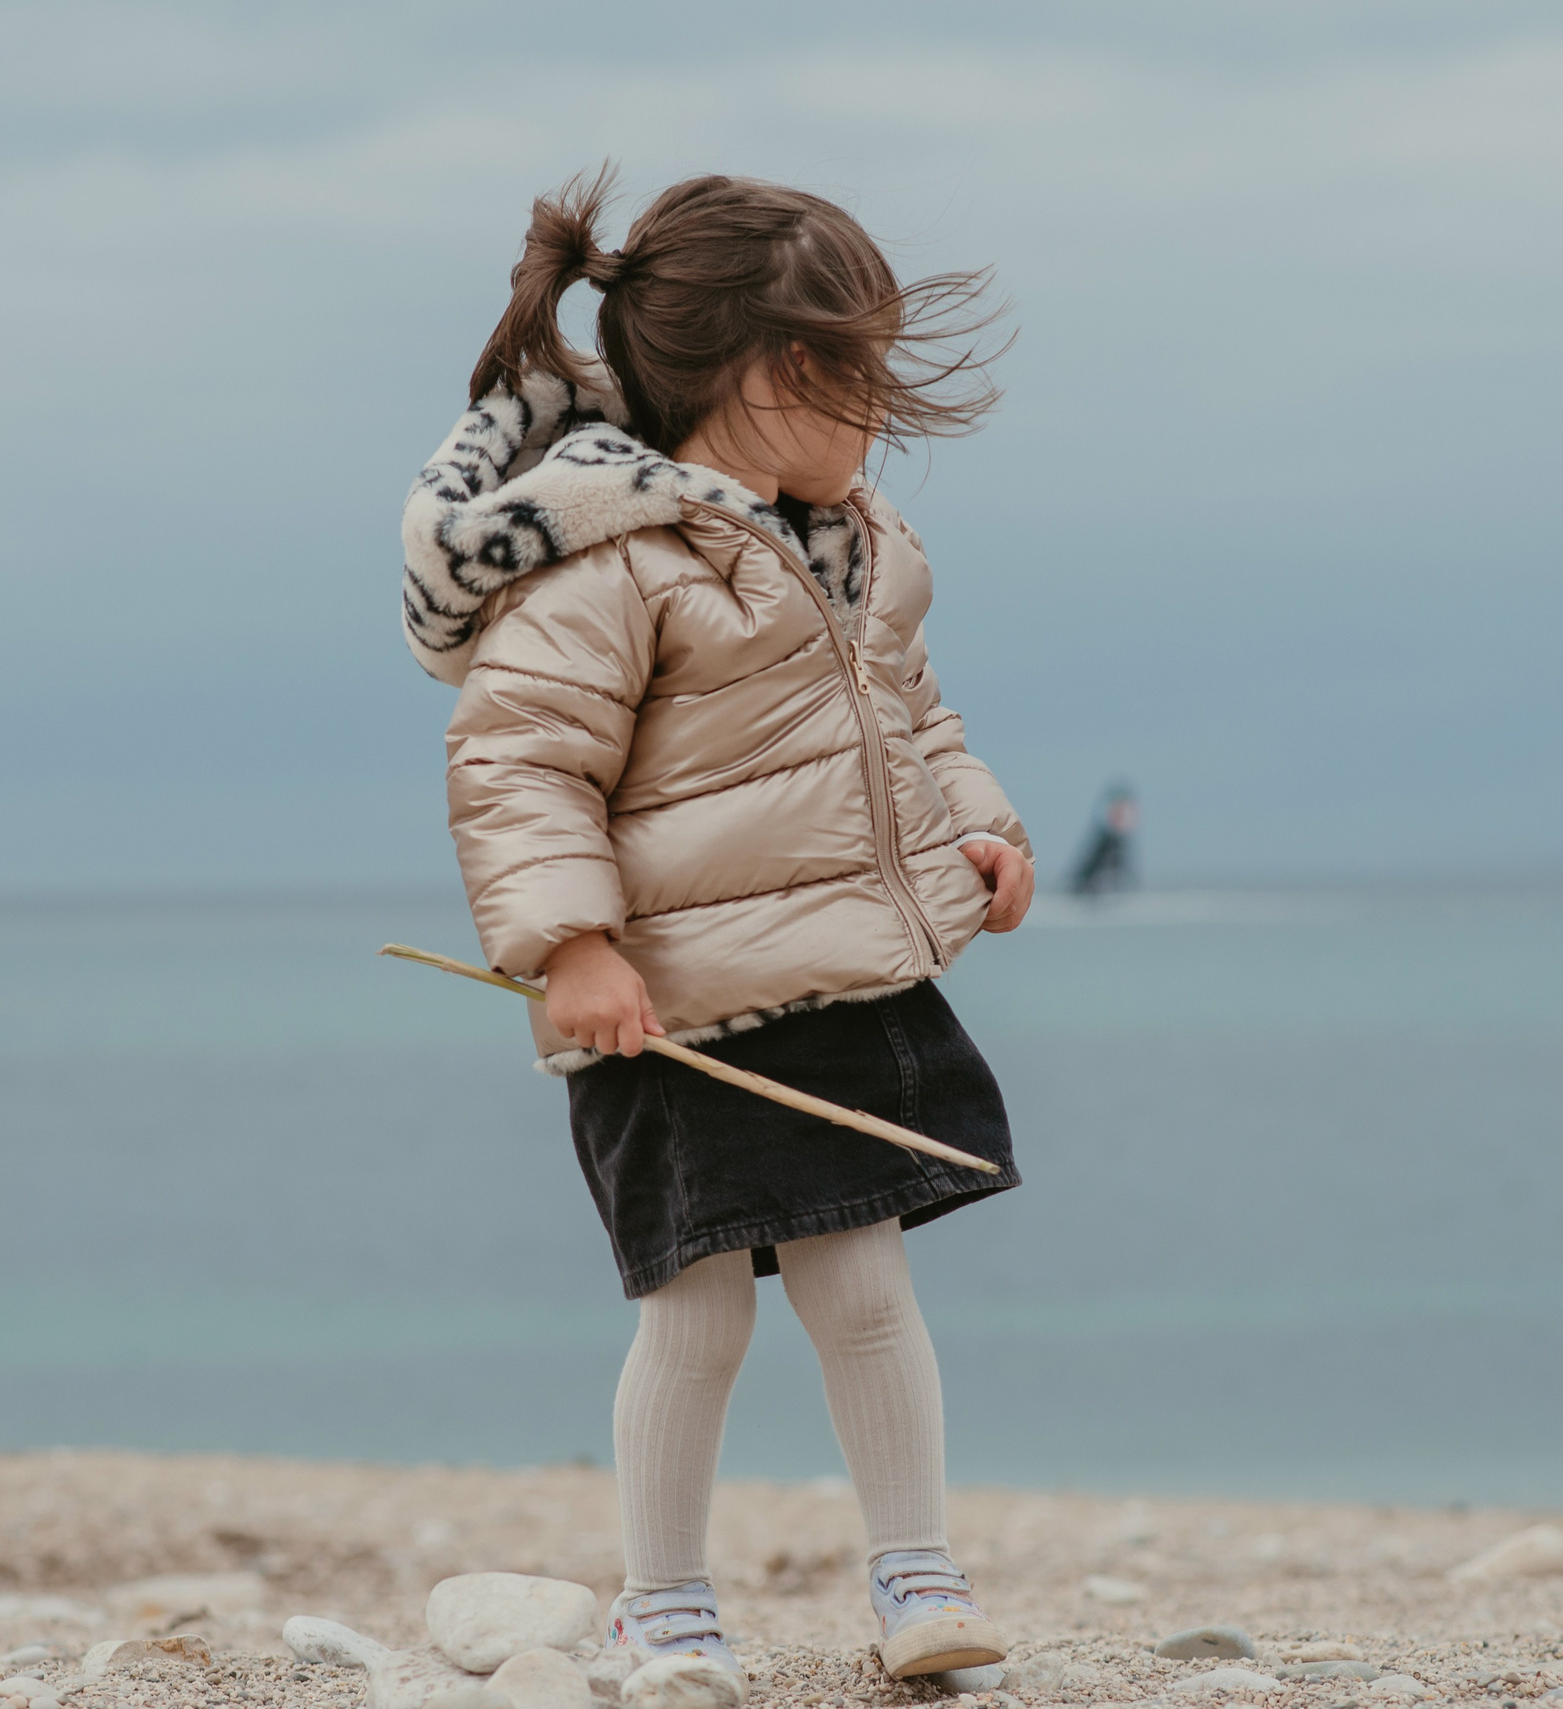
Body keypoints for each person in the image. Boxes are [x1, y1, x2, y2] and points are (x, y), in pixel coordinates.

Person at [399, 170, 1033, 1688]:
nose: (874, 406)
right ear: (743, 377)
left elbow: (909, 719)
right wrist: (573, 947)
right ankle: (663, 1595)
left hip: (837, 973)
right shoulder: (613, 562)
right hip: (665, 1007)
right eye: (843, 369)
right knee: (693, 1318)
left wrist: (976, 827)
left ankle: (915, 1573)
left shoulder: (859, 547)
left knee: (867, 1291)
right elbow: (519, 763)